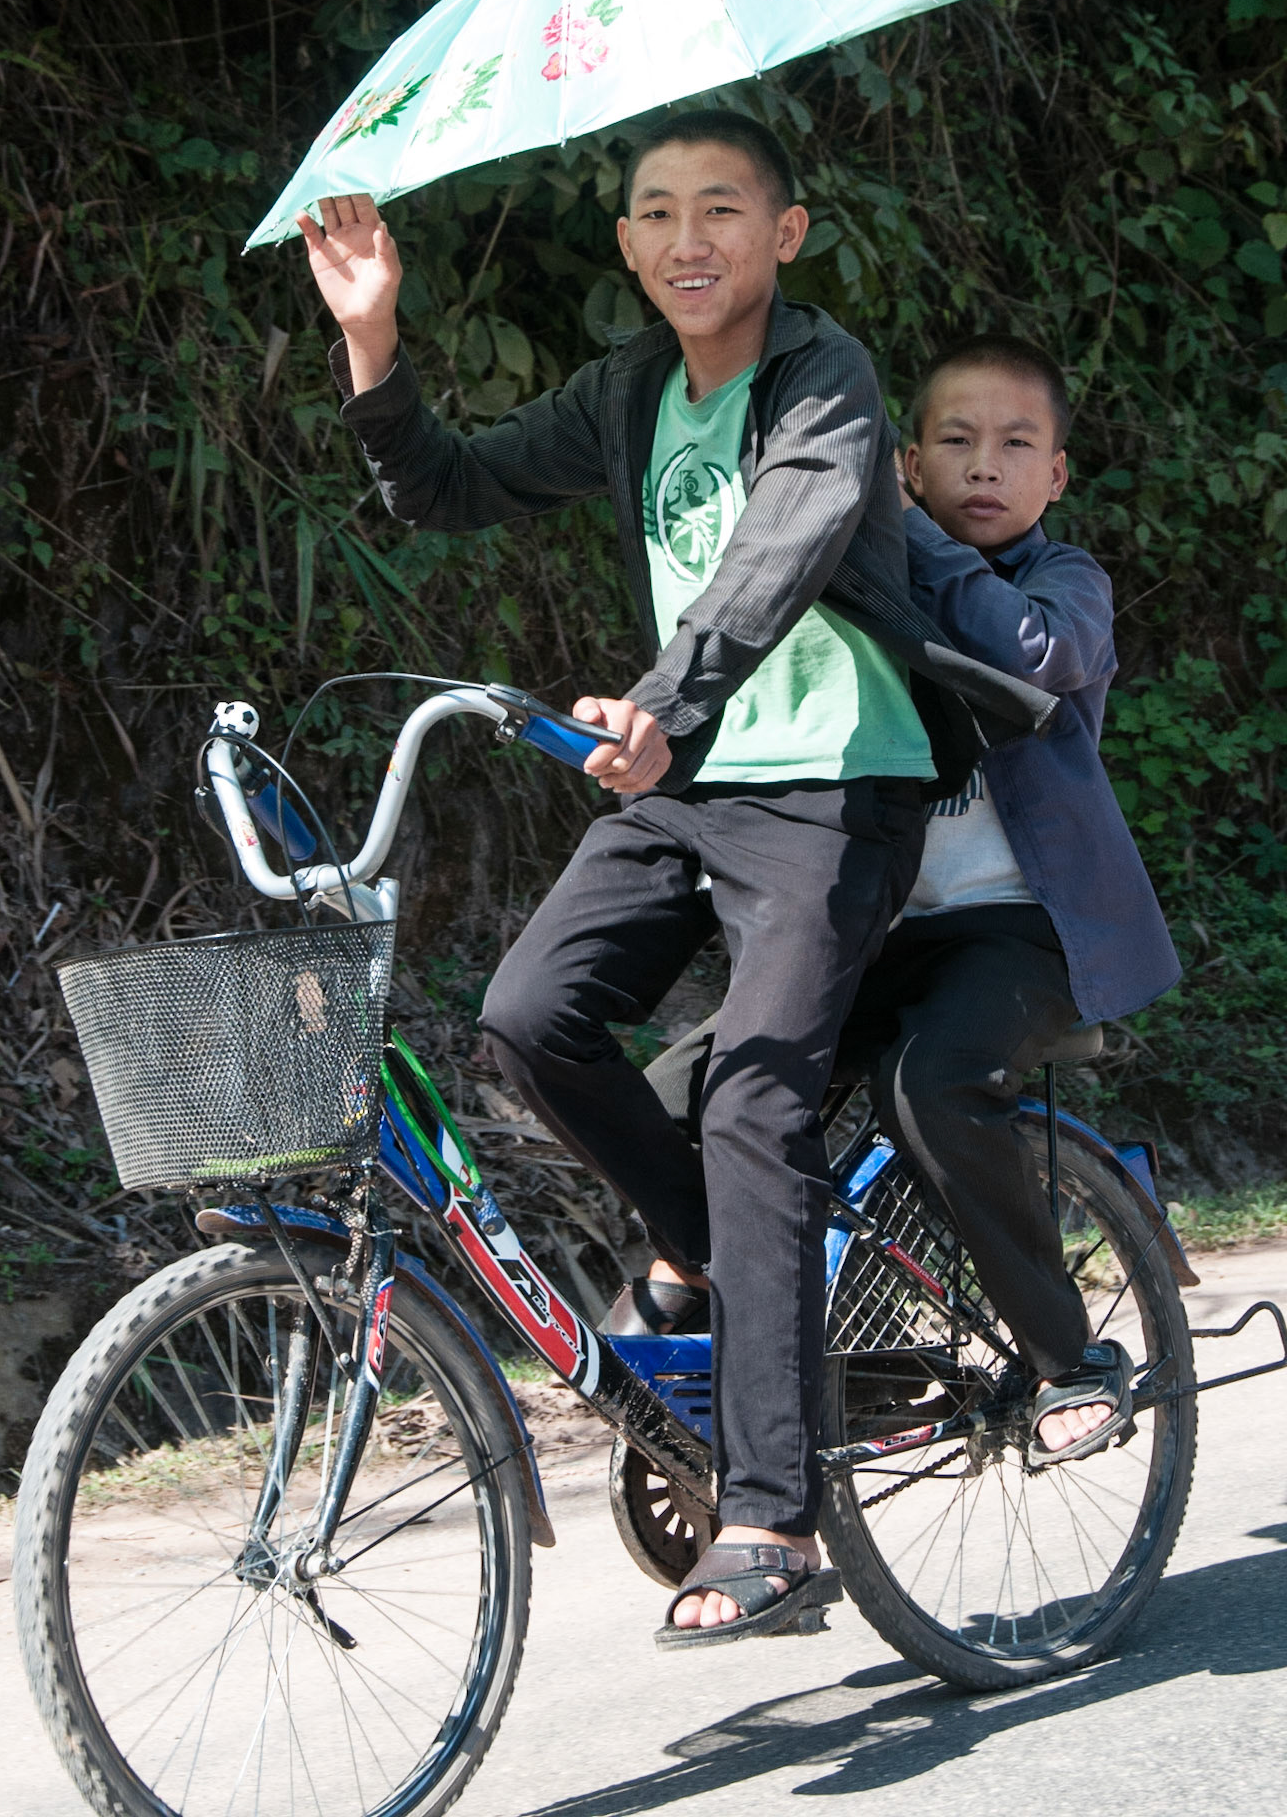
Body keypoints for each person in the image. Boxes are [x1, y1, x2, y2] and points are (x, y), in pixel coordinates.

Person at [298, 112, 1051, 1645]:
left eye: (721, 208)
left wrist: (665, 698)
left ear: (786, 234)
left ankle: (774, 1518)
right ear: (629, 246)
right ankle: (728, 1258)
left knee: (760, 1103)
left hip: (834, 784)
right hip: (687, 778)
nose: (687, 238)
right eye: (657, 213)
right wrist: (372, 338)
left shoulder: (826, 379)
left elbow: (782, 548)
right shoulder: (632, 388)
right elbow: (447, 486)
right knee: (529, 1019)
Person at [649, 333, 1182, 1467]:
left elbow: (1031, 652)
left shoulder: (1064, 584)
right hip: (883, 928)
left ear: (1057, 475)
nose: (984, 464)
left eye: (1016, 445)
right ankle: (755, 1310)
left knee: (927, 1083)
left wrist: (915, 537)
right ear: (906, 461)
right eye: (956, 441)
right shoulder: (866, 578)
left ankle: (1069, 1355)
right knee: (687, 1086)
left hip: (1024, 932)